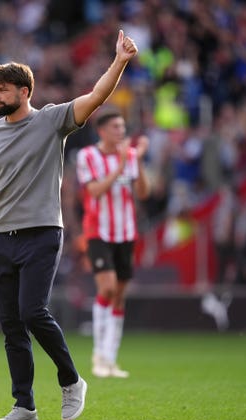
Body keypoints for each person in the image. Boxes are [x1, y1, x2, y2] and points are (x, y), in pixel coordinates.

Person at [0, 30, 139, 420]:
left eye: (3, 90)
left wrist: (119, 61)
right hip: (2, 238)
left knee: (32, 312)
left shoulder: (51, 120)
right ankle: (24, 406)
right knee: (11, 325)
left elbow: (96, 97)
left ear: (25, 90)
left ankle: (71, 381)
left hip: (43, 231)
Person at [76, 111, 150, 378]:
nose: (121, 131)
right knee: (106, 289)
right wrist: (119, 167)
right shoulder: (87, 156)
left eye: (122, 126)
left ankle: (110, 358)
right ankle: (98, 354)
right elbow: (94, 191)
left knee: (119, 295)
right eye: (116, 126)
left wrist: (138, 162)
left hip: (126, 233)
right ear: (102, 131)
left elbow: (143, 192)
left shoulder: (129, 156)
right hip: (98, 232)